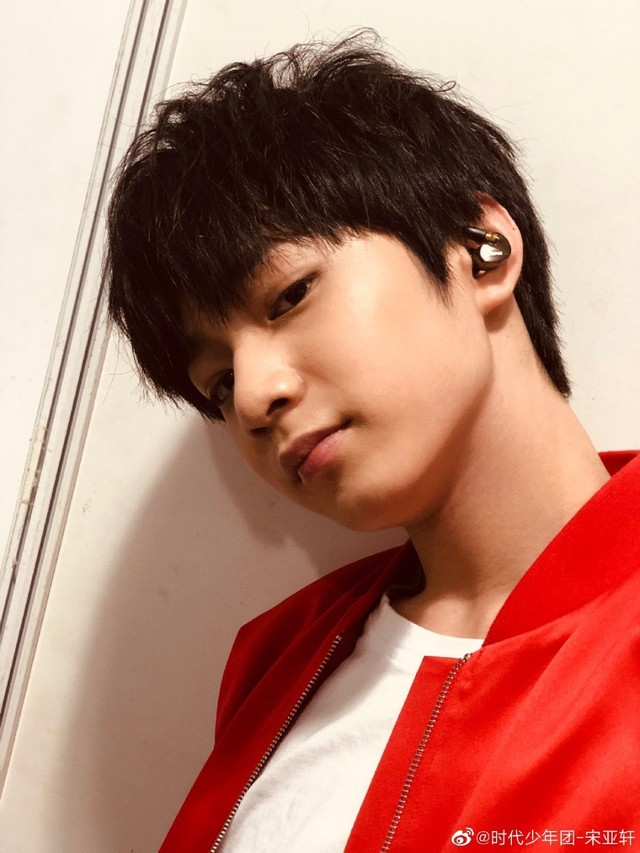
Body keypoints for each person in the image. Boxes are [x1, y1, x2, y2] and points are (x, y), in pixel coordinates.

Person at [105, 33, 640, 853]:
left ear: (480, 250)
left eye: (289, 295)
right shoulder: (276, 659)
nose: (251, 397)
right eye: (217, 381)